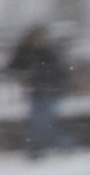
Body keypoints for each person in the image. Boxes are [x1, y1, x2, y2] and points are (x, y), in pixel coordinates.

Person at [5, 25, 74, 157]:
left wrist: (39, 74)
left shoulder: (49, 53)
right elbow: (12, 68)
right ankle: (45, 147)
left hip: (52, 91)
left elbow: (58, 72)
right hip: (37, 92)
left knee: (44, 120)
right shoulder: (26, 52)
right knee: (38, 121)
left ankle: (57, 144)